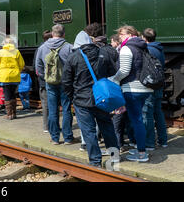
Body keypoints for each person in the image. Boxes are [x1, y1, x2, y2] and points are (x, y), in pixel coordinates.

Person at [62, 40, 119, 167]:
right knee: (107, 127)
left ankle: (95, 161)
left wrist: (72, 97)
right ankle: (114, 157)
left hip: (82, 100)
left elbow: (66, 81)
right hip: (101, 98)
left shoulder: (73, 57)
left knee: (88, 131)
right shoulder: (104, 54)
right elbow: (113, 72)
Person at [109, 26, 154, 162]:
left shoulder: (126, 48)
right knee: (138, 119)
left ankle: (141, 153)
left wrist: (113, 79)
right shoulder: (142, 46)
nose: (120, 37)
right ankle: (140, 148)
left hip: (132, 88)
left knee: (137, 121)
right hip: (145, 87)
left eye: (121, 34)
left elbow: (124, 70)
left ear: (129, 34)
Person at [36, 24, 73, 145]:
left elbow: (38, 67)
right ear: (64, 34)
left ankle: (55, 138)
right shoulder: (69, 47)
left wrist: (45, 77)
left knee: (52, 110)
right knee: (66, 109)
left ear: (52, 34)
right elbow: (74, 65)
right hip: (65, 83)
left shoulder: (42, 48)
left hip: (50, 83)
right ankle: (67, 138)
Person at [142, 28, 168, 150]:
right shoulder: (159, 49)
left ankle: (149, 143)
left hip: (151, 85)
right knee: (158, 112)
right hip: (159, 84)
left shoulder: (148, 50)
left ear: (144, 37)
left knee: (147, 113)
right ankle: (163, 140)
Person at [0, 36, 25, 120]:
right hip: (15, 76)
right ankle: (14, 114)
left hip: (5, 76)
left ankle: (9, 114)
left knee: (7, 95)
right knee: (13, 94)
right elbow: (22, 64)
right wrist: (18, 71)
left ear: (4, 44)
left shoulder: (1, 52)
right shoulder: (17, 52)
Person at [34, 30, 52, 132]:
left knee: (45, 104)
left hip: (43, 81)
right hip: (55, 81)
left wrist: (42, 77)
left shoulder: (39, 49)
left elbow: (35, 67)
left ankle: (46, 127)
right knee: (53, 104)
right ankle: (53, 126)